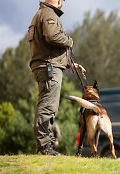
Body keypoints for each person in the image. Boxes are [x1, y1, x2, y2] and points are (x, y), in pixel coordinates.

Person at [28, 0, 85, 156]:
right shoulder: (48, 14)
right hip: (48, 67)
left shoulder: (42, 13)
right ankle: (45, 147)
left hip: (47, 65)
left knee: (49, 105)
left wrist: (70, 64)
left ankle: (47, 145)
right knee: (48, 105)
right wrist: (69, 41)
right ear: (58, 0)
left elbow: (49, 48)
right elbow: (53, 37)